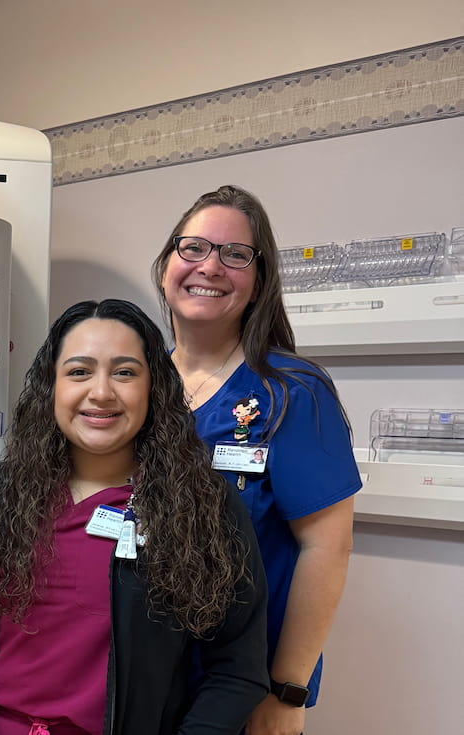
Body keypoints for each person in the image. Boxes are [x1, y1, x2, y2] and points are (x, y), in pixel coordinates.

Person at [0, 299, 269, 735]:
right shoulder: (1, 492)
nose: (102, 391)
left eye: (125, 372)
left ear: (154, 388)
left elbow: (237, 669)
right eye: (79, 371)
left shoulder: (203, 505)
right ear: (51, 386)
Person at [152, 185, 360, 735]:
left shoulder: (290, 390)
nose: (210, 267)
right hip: (139, 675)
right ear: (166, 263)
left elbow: (327, 546)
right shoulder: (137, 382)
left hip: (240, 686)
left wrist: (287, 691)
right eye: (192, 247)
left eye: (235, 254)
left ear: (259, 280)